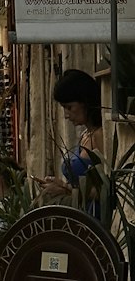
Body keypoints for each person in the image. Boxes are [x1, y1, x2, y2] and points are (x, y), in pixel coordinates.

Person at [38, 68, 103, 199]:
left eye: (70, 107)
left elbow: (106, 191)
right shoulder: (85, 135)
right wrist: (61, 185)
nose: (67, 115)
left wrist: (65, 189)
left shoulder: (99, 136)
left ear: (85, 102)